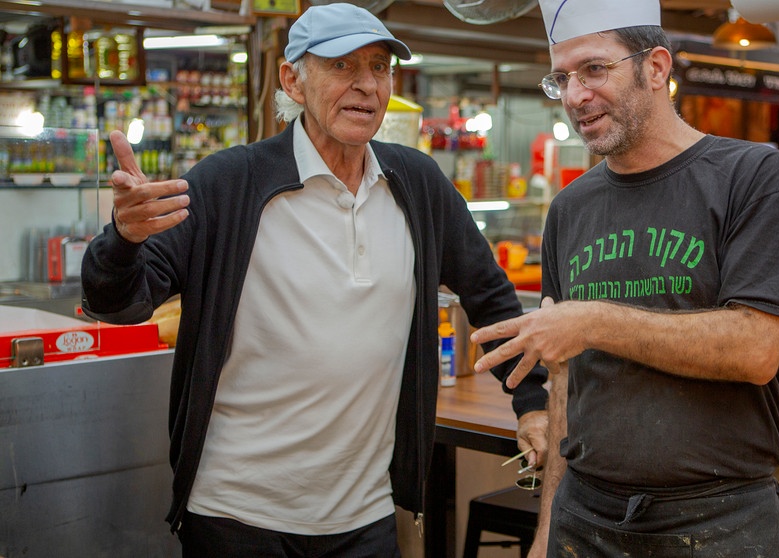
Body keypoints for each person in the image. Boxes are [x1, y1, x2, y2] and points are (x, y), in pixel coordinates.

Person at [80, 4, 548, 556]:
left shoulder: (417, 184)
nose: (366, 85)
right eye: (342, 67)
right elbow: (120, 303)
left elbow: (493, 300)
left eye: (379, 67)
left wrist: (533, 402)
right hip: (237, 514)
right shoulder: (229, 183)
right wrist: (123, 239)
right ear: (292, 80)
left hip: (366, 514)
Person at [470, 0, 779, 556]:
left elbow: (757, 348)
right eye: (561, 78)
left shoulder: (755, 177)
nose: (574, 96)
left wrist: (592, 320)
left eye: (593, 69)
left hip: (721, 522)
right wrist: (546, 530)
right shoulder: (569, 208)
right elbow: (566, 383)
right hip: (584, 519)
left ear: (656, 67)